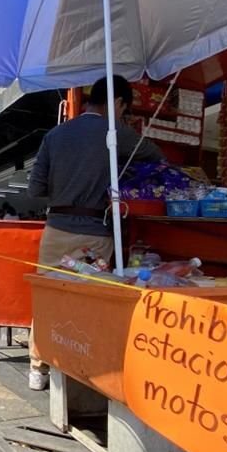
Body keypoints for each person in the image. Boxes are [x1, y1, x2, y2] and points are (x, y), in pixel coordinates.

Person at [26, 74, 164, 390]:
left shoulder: (55, 135)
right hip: (95, 235)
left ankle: (39, 368)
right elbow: (157, 158)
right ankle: (82, 368)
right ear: (117, 103)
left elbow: (34, 189)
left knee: (49, 299)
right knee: (87, 303)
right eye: (124, 110)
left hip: (55, 231)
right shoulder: (117, 134)